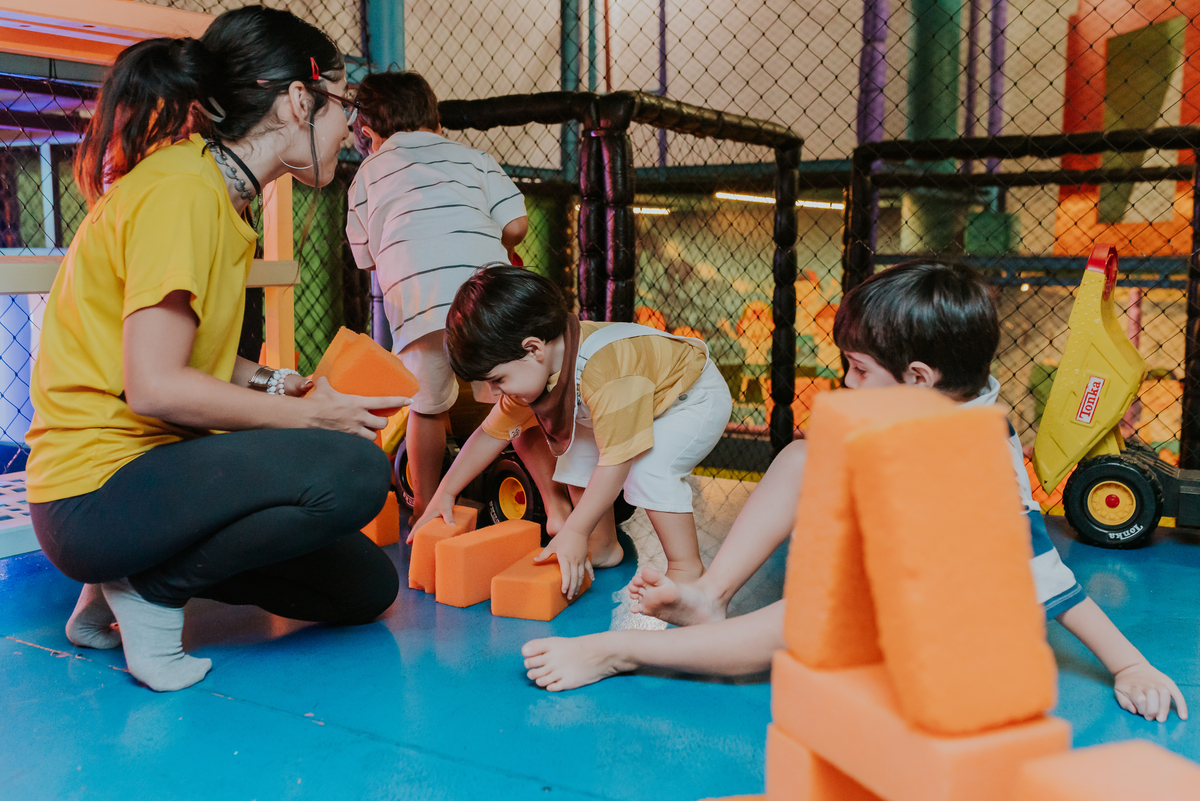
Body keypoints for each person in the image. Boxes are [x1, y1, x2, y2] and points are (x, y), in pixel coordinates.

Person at [521, 262, 1188, 724]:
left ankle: (622, 651)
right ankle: (709, 594)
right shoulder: (938, 401)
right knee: (801, 456)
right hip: (903, 556)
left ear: (919, 377)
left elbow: (1045, 574)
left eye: (859, 370)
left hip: (940, 623)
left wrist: (1129, 664)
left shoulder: (974, 459)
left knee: (811, 617)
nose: (846, 382)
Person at [25, 6, 410, 693]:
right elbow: (154, 386)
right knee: (355, 470)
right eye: (344, 103)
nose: (349, 127)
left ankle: (117, 585)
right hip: (95, 494)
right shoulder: (182, 191)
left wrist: (287, 385)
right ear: (299, 100)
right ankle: (152, 589)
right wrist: (312, 418)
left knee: (365, 587)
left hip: (146, 486)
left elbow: (193, 357)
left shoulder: (221, 195)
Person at [412, 265, 734, 600]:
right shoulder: (539, 365)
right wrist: (445, 493)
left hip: (689, 398)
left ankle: (686, 569)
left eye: (497, 380)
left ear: (534, 349)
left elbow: (617, 462)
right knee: (575, 456)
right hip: (636, 399)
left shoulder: (603, 371)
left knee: (649, 471)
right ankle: (604, 547)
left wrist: (575, 531)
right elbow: (489, 434)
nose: (495, 392)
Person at [345, 71, 571, 532]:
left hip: (419, 302)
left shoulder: (366, 173)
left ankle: (427, 510)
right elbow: (517, 226)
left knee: (427, 407)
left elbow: (365, 258)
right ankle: (555, 505)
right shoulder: (474, 157)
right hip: (484, 295)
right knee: (514, 404)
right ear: (437, 123)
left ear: (367, 133)